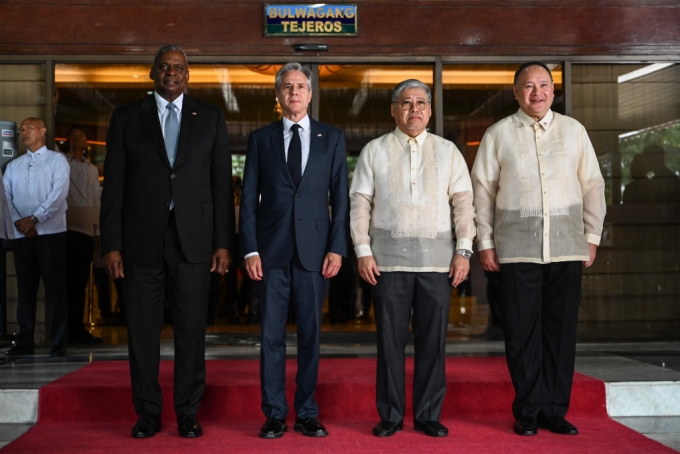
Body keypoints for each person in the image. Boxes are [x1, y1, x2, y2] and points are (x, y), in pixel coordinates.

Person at [100, 44, 234, 439]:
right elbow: (115, 187)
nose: (171, 73)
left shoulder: (209, 117)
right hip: (140, 242)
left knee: (191, 331)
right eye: (163, 67)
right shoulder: (126, 118)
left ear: (188, 75)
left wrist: (223, 242)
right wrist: (112, 244)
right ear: (152, 73)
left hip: (194, 243)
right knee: (142, 332)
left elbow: (221, 185)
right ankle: (147, 412)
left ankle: (188, 412)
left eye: (178, 68)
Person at [471, 62, 606, 436]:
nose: (537, 92)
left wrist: (591, 237)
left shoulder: (574, 131)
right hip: (516, 250)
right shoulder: (498, 134)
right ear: (515, 93)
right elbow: (481, 192)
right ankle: (528, 410)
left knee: (560, 333)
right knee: (520, 333)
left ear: (552, 90)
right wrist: (485, 242)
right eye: (528, 86)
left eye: (543, 85)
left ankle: (555, 410)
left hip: (566, 247)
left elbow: (592, 185)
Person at [350, 79, 476, 438]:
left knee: (432, 342)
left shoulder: (448, 151)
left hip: (437, 264)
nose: (414, 109)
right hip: (386, 264)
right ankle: (390, 414)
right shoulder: (374, 150)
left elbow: (464, 204)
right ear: (394, 109)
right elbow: (359, 204)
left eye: (421, 102)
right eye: (406, 103)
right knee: (389, 343)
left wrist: (463, 251)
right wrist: (363, 250)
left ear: (430, 110)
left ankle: (428, 414)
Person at [239, 62, 349, 439]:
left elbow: (342, 200)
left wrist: (337, 248)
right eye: (287, 87)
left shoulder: (331, 138)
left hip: (315, 255)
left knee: (310, 336)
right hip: (269, 254)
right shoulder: (260, 139)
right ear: (278, 95)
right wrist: (250, 250)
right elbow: (248, 200)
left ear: (311, 93)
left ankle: (306, 412)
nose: (294, 93)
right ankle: (273, 413)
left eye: (301, 86)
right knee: (270, 336)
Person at [4, 117, 70, 358]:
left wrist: (35, 218)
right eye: (22, 129)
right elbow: (6, 197)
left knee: (55, 288)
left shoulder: (57, 160)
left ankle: (58, 340)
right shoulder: (14, 165)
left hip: (51, 233)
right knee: (25, 289)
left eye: (29, 128)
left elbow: (59, 194)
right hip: (23, 235)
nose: (24, 132)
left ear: (43, 131)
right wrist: (21, 222)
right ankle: (24, 341)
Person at [64, 125, 103, 345]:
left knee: (81, 284)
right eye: (74, 134)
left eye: (81, 135)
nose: (77, 137)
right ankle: (66, 330)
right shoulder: (61, 163)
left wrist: (97, 231)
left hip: (86, 231)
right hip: (67, 229)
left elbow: (95, 201)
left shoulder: (91, 170)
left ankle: (77, 329)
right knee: (67, 282)